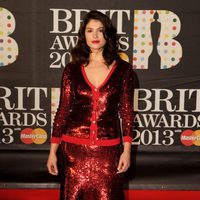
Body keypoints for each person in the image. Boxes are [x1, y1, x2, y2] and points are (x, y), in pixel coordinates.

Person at [47, 10, 134, 200]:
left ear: (107, 34)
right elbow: (63, 111)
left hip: (108, 152)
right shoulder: (71, 69)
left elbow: (127, 113)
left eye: (100, 30)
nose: (94, 36)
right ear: (83, 35)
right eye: (89, 30)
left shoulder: (124, 70)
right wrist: (53, 151)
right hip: (74, 152)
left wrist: (126, 152)